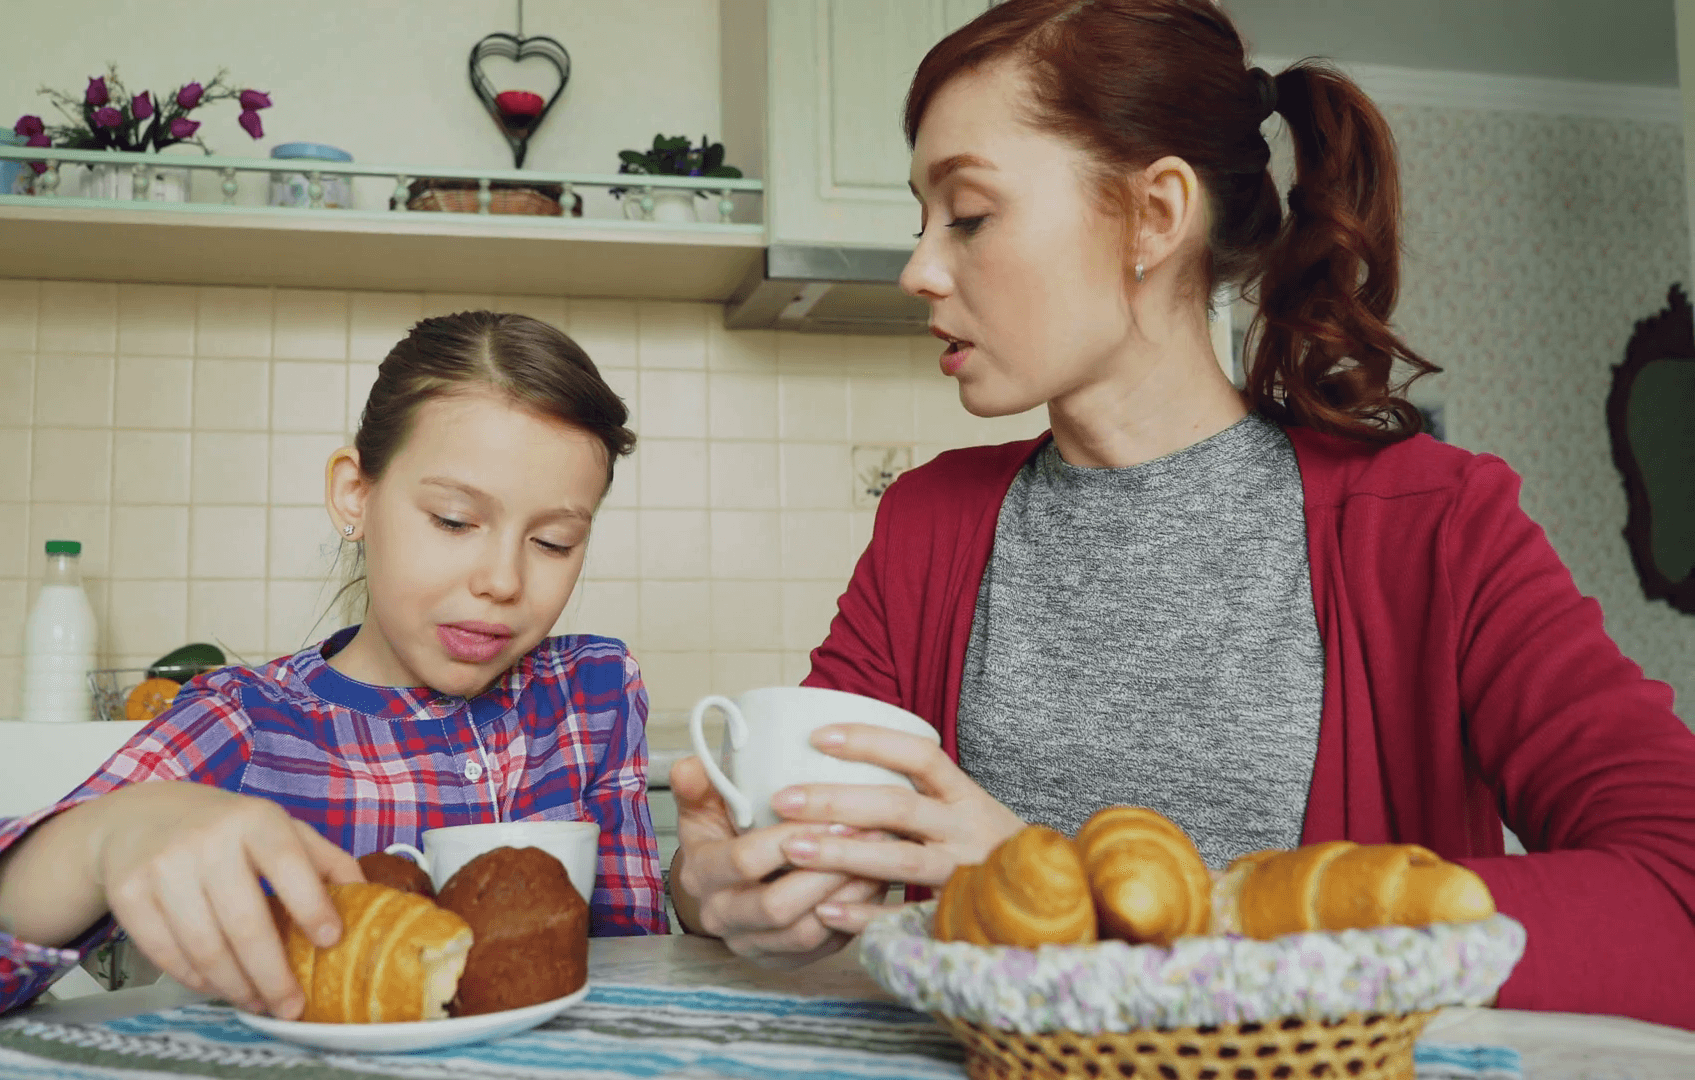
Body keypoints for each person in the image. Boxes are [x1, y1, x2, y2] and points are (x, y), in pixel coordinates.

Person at [669, 0, 1695, 1027]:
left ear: (1156, 215)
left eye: (969, 215)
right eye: (921, 220)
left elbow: (1676, 894)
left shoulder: (1436, 525)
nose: (919, 268)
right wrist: (718, 886)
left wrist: (1092, 900)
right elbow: (808, 833)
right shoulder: (928, 525)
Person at [0, 311, 667, 1040]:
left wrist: (701, 900)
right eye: (453, 519)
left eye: (555, 541)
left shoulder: (589, 692)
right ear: (354, 496)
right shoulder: (244, 725)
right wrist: (97, 843)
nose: (505, 582)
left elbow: (639, 967)